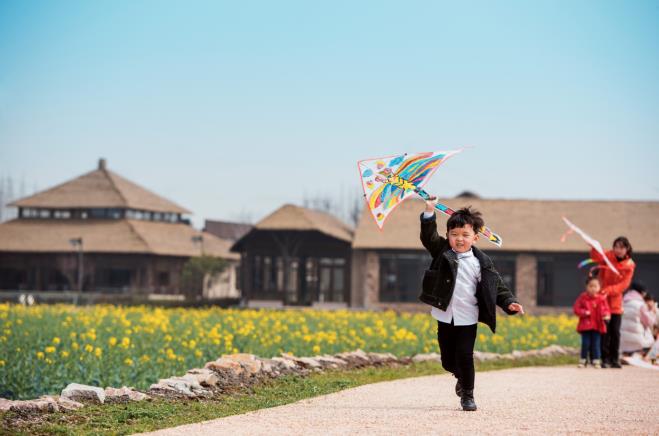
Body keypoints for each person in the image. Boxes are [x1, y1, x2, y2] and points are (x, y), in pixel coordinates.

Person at [418, 198, 523, 411]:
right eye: (454, 235)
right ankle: (461, 376)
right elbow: (428, 237)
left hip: (468, 316)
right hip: (445, 314)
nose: (459, 239)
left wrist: (510, 302)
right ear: (447, 236)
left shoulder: (482, 262)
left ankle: (468, 395)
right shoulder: (441, 252)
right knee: (447, 361)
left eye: (465, 235)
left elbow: (498, 287)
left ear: (475, 237)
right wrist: (429, 211)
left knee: (465, 355)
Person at [590, 237, 635, 368]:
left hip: (615, 302)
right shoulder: (608, 256)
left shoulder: (629, 265)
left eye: (622, 247)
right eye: (616, 247)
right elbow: (596, 257)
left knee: (615, 331)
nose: (618, 250)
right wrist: (593, 246)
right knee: (604, 331)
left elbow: (624, 285)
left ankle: (614, 358)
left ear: (627, 249)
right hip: (602, 301)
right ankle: (604, 359)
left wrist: (608, 290)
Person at [573, 277, 610, 368]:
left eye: (595, 286)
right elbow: (576, 309)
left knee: (596, 344)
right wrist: (584, 312)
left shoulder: (601, 299)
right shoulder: (583, 297)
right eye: (590, 286)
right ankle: (583, 360)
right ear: (586, 287)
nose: (593, 288)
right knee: (585, 343)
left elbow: (606, 309)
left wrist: (606, 315)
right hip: (585, 326)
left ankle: (596, 360)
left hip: (597, 325)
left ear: (599, 287)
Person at [621, 285, 656, 355]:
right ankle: (637, 354)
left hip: (622, 341)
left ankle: (627, 354)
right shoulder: (641, 305)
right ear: (642, 293)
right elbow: (649, 322)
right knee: (650, 339)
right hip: (637, 342)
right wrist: (652, 312)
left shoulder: (623, 302)